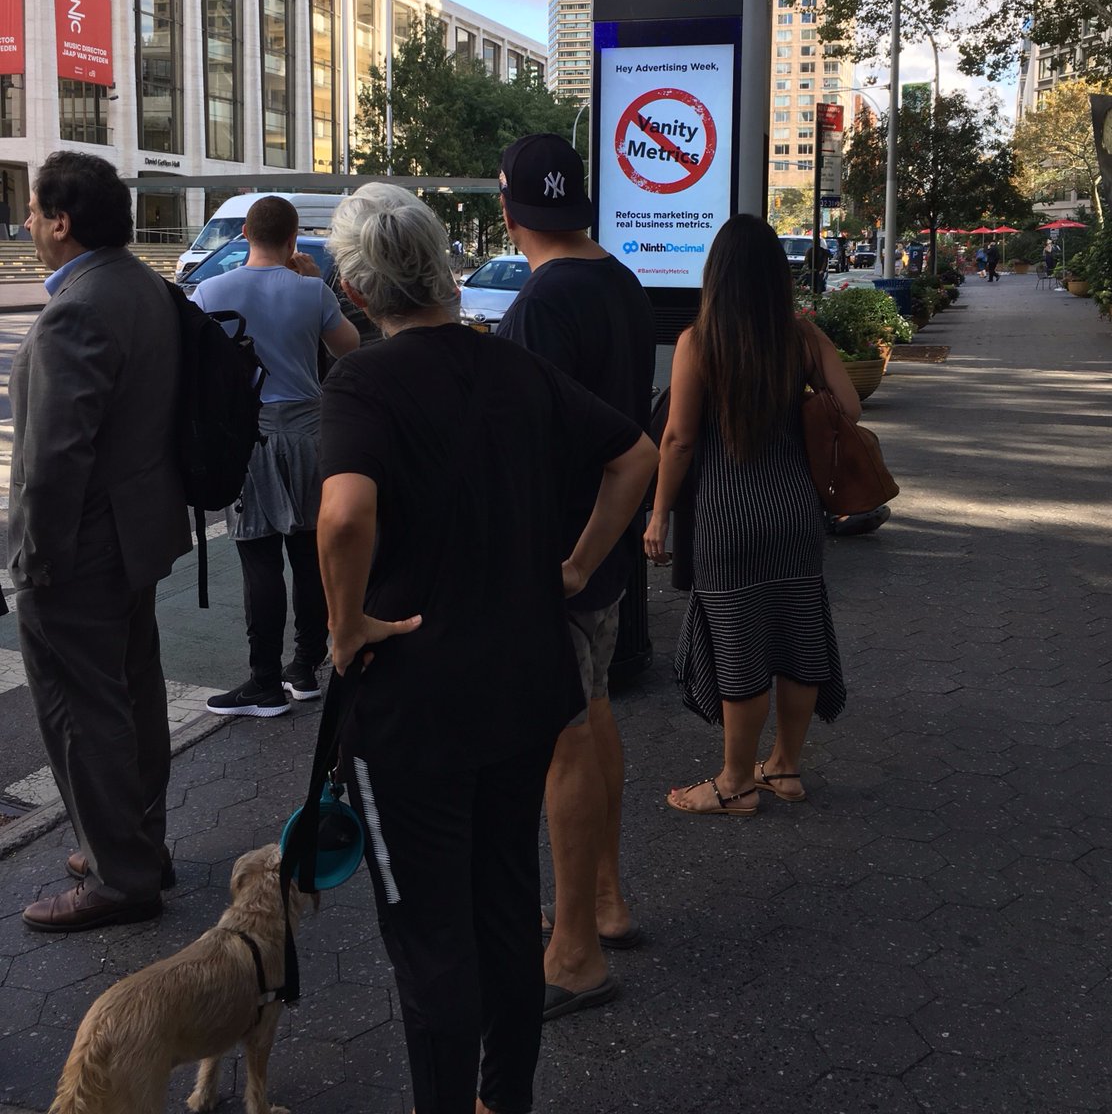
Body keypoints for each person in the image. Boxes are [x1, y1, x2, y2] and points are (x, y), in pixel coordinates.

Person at [317, 183, 657, 1114]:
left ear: (354, 288)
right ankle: (504, 1098)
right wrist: (577, 565)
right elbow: (635, 454)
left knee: (429, 937)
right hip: (521, 681)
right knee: (505, 906)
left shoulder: (363, 383)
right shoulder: (514, 366)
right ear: (443, 269)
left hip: (413, 702)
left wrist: (346, 625)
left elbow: (344, 515)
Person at [495, 133, 656, 1019]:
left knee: (563, 740)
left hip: (558, 553)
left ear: (509, 209)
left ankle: (575, 954)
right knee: (592, 716)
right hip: (604, 544)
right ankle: (604, 901)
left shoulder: (542, 303)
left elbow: (528, 445)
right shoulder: (620, 282)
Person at [11, 152, 192, 930]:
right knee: (133, 693)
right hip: (137, 531)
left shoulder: (76, 310)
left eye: (33, 209)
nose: (26, 221)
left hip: (80, 547)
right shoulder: (146, 286)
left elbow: (54, 459)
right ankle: (136, 845)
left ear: (61, 221)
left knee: (82, 709)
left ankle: (120, 876)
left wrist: (35, 559)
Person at [645, 213, 852, 816]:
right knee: (799, 639)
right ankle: (784, 768)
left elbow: (678, 440)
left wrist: (658, 515)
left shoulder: (698, 342)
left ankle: (734, 783)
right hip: (795, 511)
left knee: (740, 647)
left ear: (718, 275)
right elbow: (850, 407)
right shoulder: (803, 338)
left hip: (727, 518)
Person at [193, 197, 360, 717]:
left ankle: (263, 681)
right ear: (293, 239)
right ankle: (305, 667)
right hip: (310, 434)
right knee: (309, 555)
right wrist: (313, 286)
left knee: (258, 557)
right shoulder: (312, 291)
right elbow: (349, 347)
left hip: (250, 434)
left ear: (245, 233)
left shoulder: (210, 291)